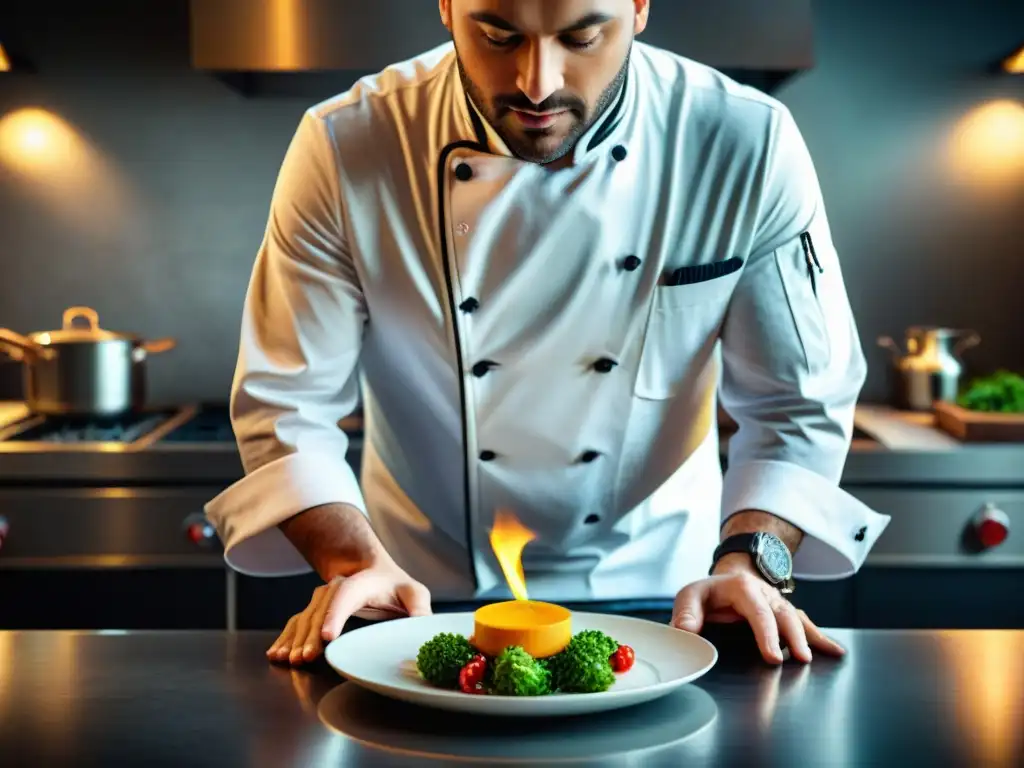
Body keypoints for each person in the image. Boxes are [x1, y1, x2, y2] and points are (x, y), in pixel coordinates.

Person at [205, 0, 890, 668]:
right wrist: (352, 561)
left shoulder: (744, 141)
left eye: (583, 36)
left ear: (640, 8)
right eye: (499, 36)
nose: (539, 82)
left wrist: (751, 561)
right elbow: (285, 403)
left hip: (673, 590)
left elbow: (797, 402)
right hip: (411, 594)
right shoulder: (346, 141)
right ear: (446, 7)